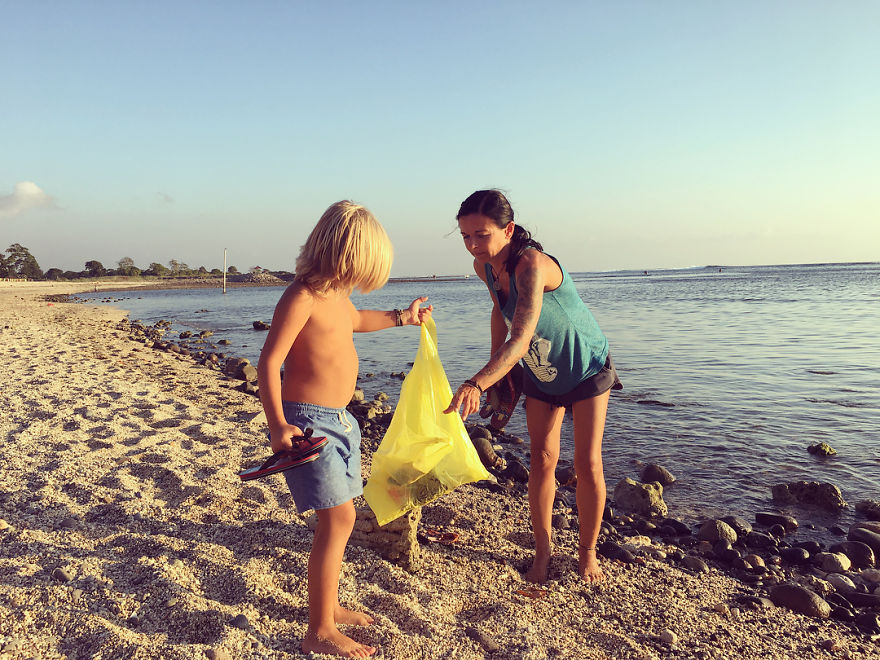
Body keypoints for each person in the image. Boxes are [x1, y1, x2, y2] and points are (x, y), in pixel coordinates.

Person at [257, 200, 432, 658]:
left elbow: (357, 321)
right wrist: (278, 425)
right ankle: (318, 629)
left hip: (341, 421)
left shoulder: (337, 296)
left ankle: (329, 607)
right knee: (338, 519)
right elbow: (269, 363)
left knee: (341, 517)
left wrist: (402, 317)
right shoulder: (302, 297)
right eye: (360, 270)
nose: (359, 282)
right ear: (343, 255)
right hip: (307, 423)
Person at [444, 189, 621, 584]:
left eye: (482, 235)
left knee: (586, 464)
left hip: (585, 366)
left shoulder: (532, 266)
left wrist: (476, 382)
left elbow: (521, 338)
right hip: (541, 369)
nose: (473, 245)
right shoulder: (484, 267)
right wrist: (499, 376)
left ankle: (588, 553)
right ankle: (543, 552)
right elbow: (499, 313)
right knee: (541, 459)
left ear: (508, 229)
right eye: (466, 236)